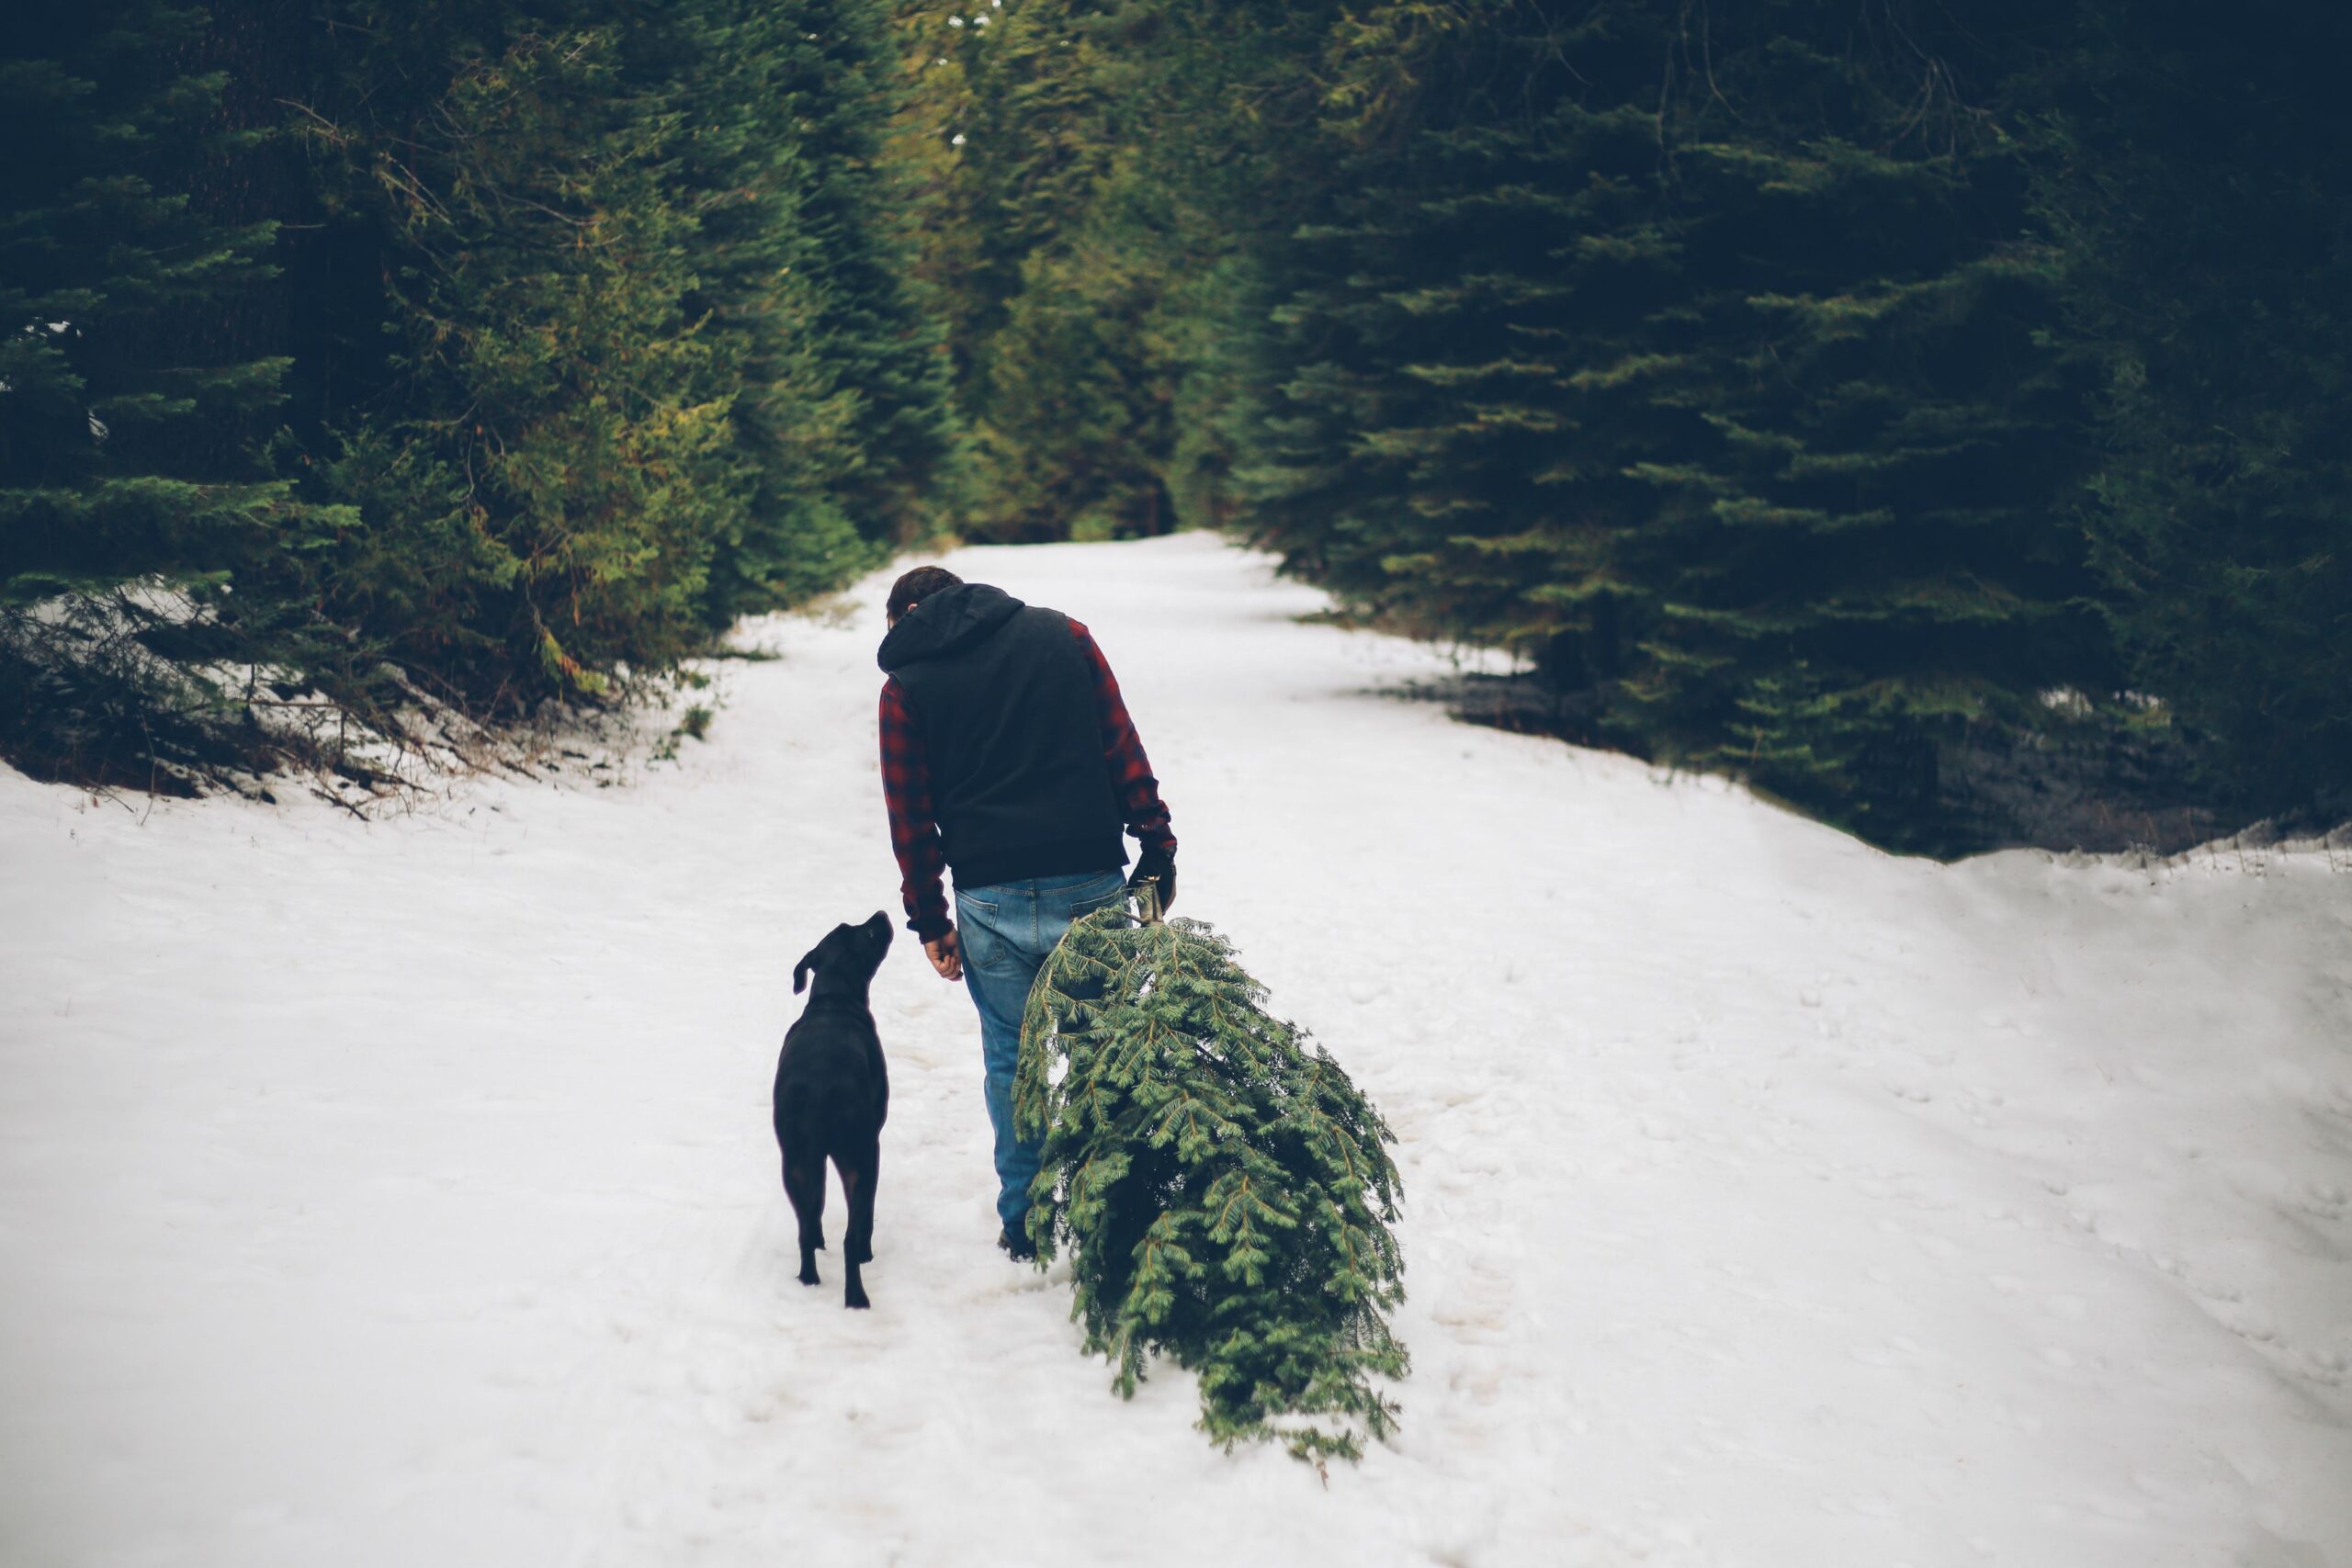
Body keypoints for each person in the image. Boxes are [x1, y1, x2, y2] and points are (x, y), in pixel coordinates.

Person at [876, 565, 1177, 1258]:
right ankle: (1117, 1215)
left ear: (911, 612)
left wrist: (931, 918)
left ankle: (1027, 1223)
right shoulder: (1064, 637)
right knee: (1105, 1053)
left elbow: (910, 819)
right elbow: (1121, 747)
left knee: (1011, 1064)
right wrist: (1156, 844)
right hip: (1089, 886)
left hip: (990, 899)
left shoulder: (905, 690)